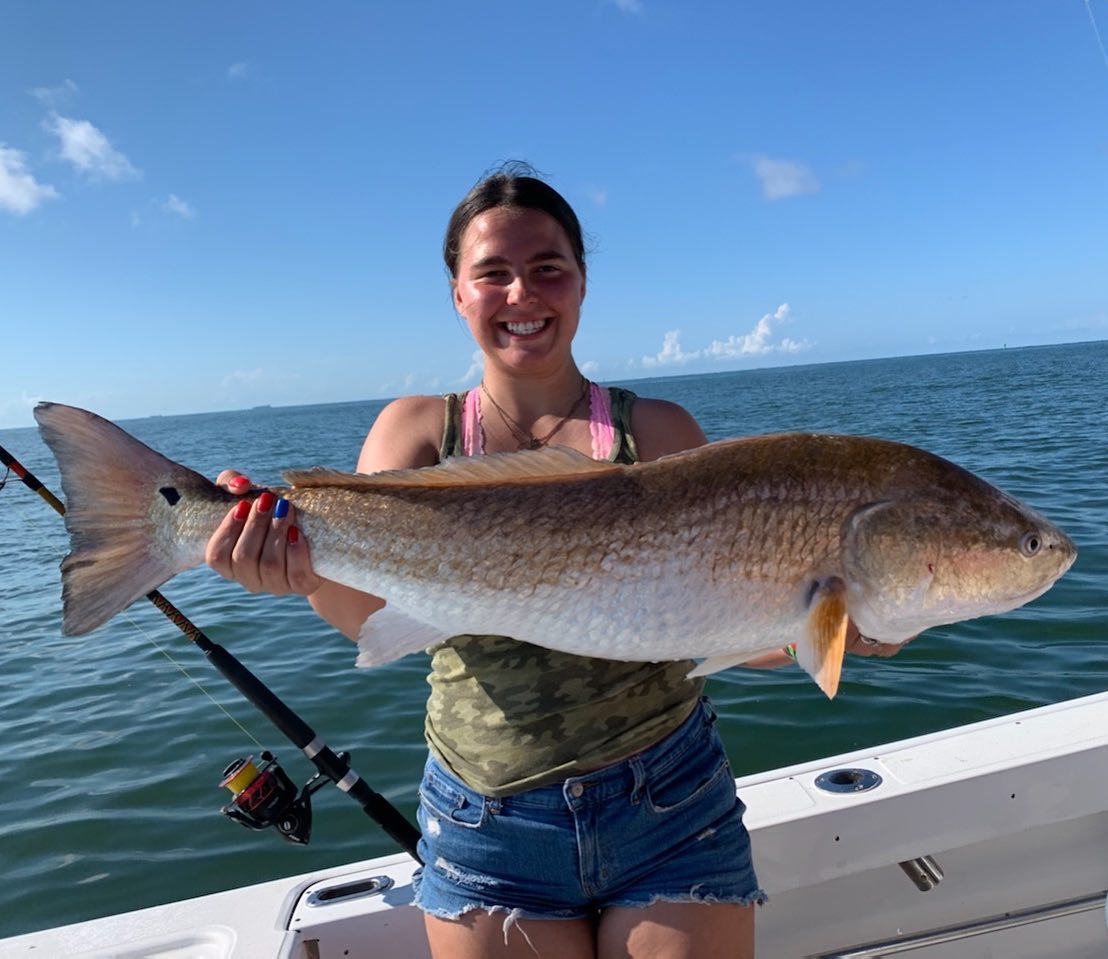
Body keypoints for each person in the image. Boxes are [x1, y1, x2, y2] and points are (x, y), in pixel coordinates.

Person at [204, 163, 908, 959]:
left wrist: (826, 632)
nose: (521, 294)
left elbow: (714, 623)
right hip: (487, 819)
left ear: (581, 281)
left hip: (671, 800)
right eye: (492, 274)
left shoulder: (663, 431)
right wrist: (297, 575)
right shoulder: (414, 435)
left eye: (547, 269)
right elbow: (369, 616)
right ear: (457, 294)